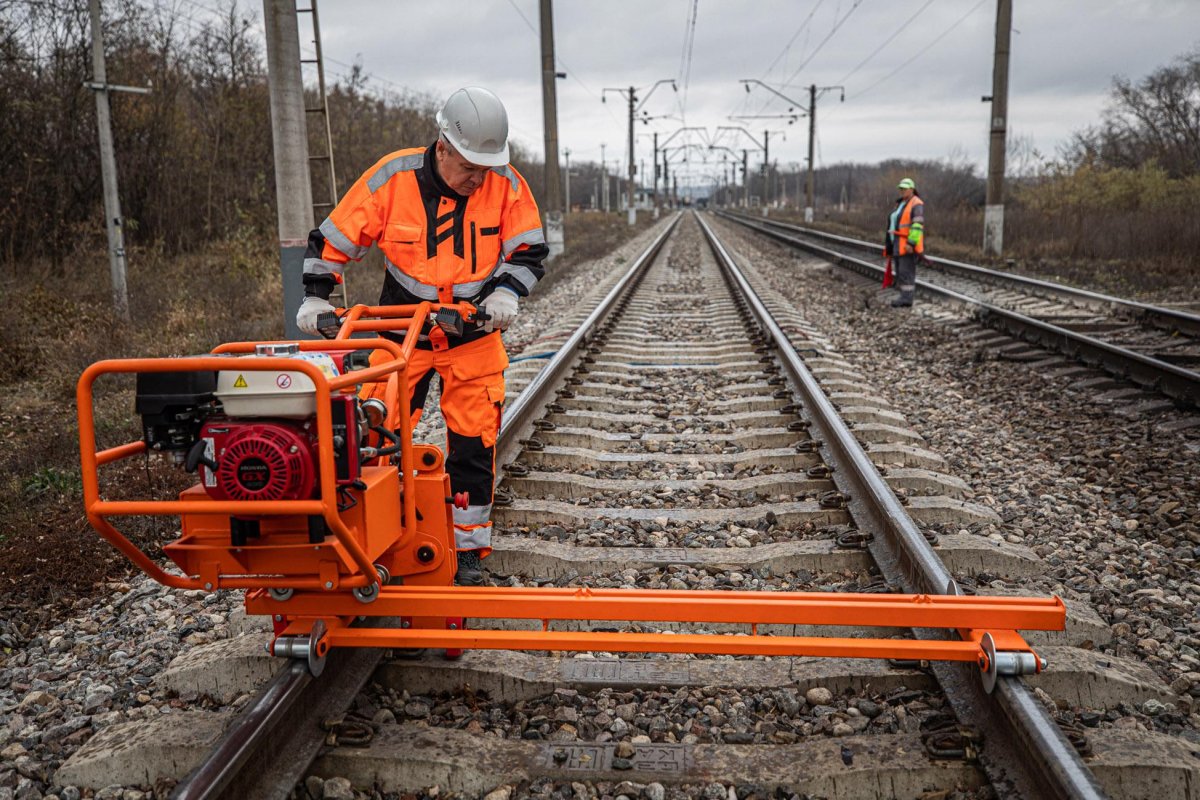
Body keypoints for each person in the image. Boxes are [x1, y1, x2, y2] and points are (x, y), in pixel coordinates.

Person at [295, 87, 548, 585]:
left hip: (472, 334)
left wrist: (505, 295)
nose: (479, 178)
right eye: (471, 166)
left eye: (487, 167)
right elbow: (334, 238)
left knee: (473, 446)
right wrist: (317, 295)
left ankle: (469, 553)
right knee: (372, 433)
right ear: (444, 145)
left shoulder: (507, 185)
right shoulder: (393, 179)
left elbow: (529, 252)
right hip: (399, 334)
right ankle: (371, 540)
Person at [884, 177, 924, 307]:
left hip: (906, 245)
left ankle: (906, 299)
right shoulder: (901, 203)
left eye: (905, 188)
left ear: (912, 189)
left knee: (906, 272)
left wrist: (911, 243)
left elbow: (917, 225)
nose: (902, 191)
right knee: (901, 272)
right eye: (900, 188)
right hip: (897, 244)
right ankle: (904, 296)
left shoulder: (916, 203)